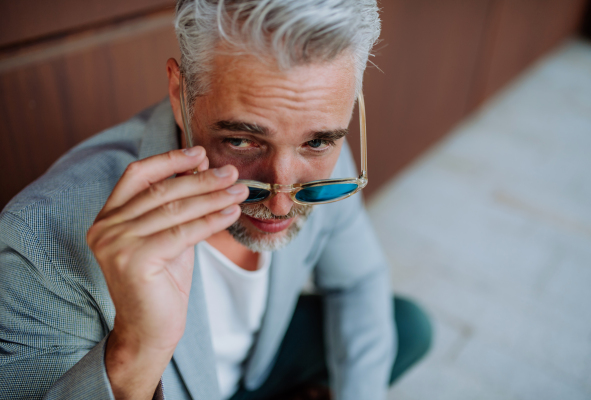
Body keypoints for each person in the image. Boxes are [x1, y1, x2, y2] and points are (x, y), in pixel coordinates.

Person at [0, 1, 431, 399]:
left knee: (407, 327)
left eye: (316, 141)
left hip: (256, 370)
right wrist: (133, 352)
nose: (281, 203)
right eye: (242, 141)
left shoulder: (327, 158)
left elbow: (358, 281)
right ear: (178, 94)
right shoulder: (40, 241)